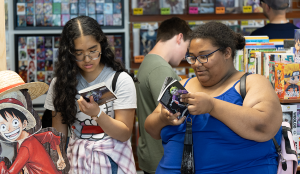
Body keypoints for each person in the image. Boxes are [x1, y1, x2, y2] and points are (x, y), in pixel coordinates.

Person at [145, 21, 282, 173]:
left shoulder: (252, 82)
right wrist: (163, 119)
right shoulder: (182, 85)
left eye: (204, 56)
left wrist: (212, 106)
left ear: (227, 53)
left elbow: (265, 126)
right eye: (192, 57)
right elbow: (151, 129)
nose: (196, 64)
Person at [44, 16, 138, 174]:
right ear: (69, 53)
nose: (87, 59)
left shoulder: (120, 80)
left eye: (93, 51)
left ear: (102, 45)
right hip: (76, 162)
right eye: (78, 53)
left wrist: (97, 114)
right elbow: (58, 138)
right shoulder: (60, 84)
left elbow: (124, 134)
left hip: (113, 161)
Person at [135, 17, 191, 174]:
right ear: (180, 38)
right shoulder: (160, 68)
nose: (185, 55)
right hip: (162, 158)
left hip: (153, 154)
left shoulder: (149, 61)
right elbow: (176, 112)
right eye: (187, 48)